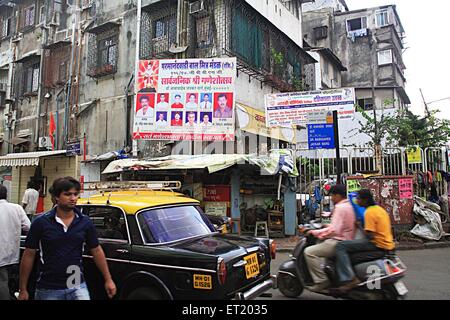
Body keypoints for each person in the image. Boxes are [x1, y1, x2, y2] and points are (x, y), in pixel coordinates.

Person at [18, 177, 116, 301]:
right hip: (48, 287)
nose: (73, 198)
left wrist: (108, 279)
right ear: (57, 197)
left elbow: (96, 250)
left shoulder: (84, 222)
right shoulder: (41, 223)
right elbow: (29, 254)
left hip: (75, 284)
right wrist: (23, 288)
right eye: (68, 194)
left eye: (76, 194)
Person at [335, 189, 396, 292]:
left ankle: (349, 278)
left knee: (341, 246)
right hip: (388, 244)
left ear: (365, 200)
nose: (356, 201)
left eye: (358, 199)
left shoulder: (369, 212)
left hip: (377, 244)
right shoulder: (379, 209)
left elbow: (370, 235)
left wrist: (359, 226)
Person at [304, 185, 356, 293]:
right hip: (348, 239)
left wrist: (315, 232)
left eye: (332, 196)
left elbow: (334, 231)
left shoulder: (340, 208)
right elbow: (341, 225)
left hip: (338, 241)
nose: (331, 198)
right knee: (320, 243)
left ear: (338, 195)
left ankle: (322, 280)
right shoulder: (350, 206)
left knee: (309, 252)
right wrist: (325, 227)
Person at [0, 185, 30, 300]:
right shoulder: (16, 208)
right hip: (14, 255)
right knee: (11, 284)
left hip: (1, 256)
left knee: (2, 283)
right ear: (6, 195)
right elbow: (28, 227)